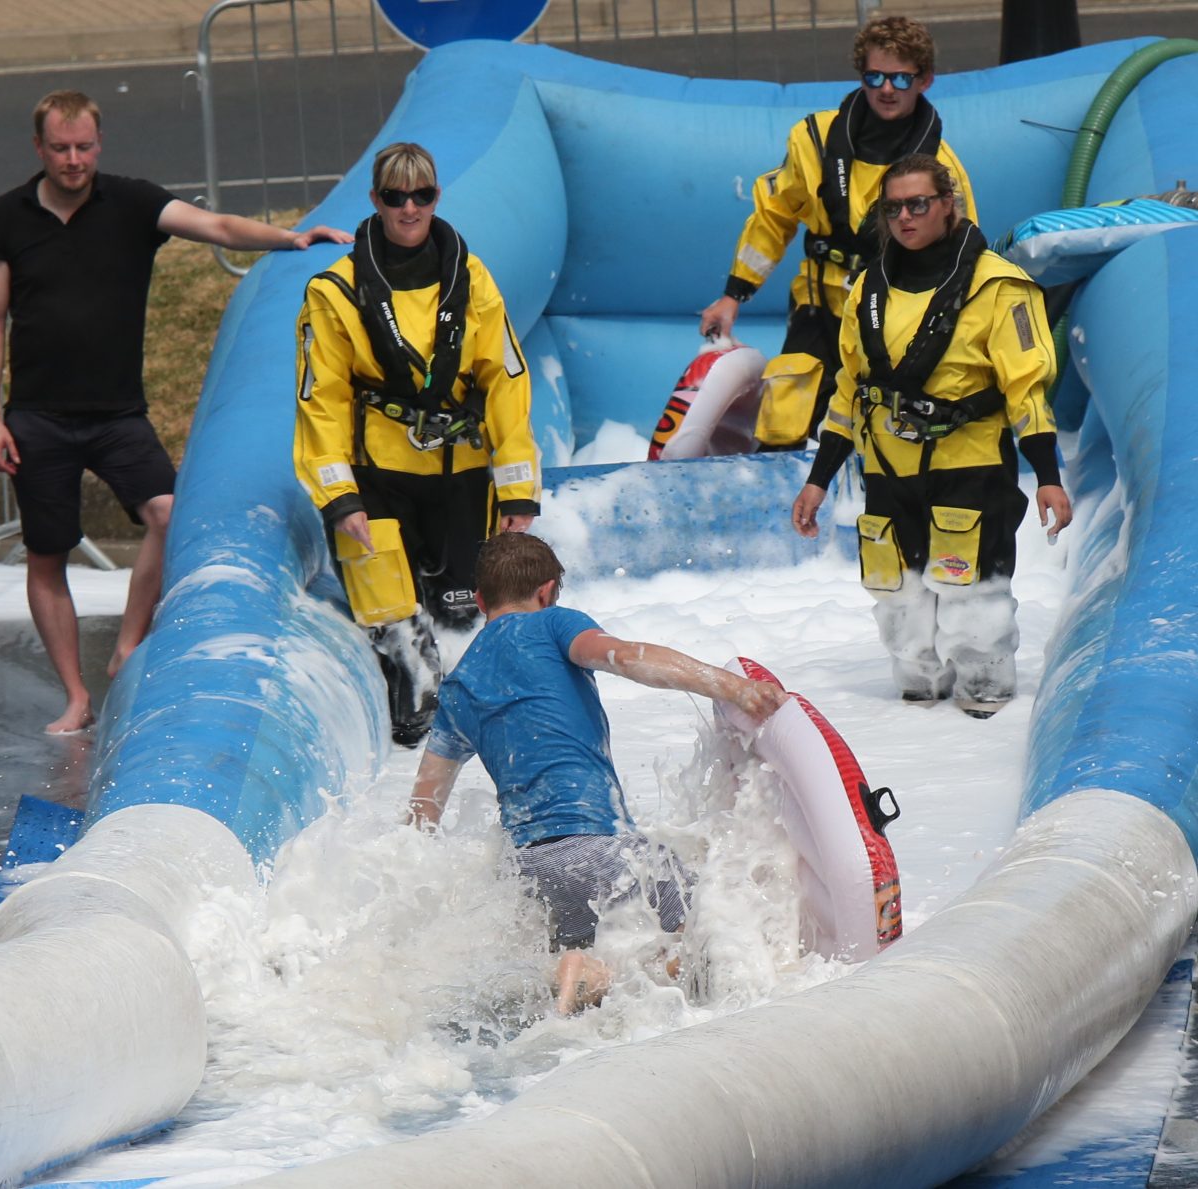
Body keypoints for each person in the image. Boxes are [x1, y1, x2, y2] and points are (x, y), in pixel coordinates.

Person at [0, 89, 352, 736]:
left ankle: (128, 643)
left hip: (117, 413)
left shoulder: (133, 202)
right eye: (60, 148)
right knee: (47, 555)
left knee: (168, 513)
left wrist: (290, 238)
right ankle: (75, 695)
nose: (73, 160)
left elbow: (219, 227)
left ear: (100, 143)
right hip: (35, 416)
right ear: (39, 148)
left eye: (84, 146)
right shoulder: (5, 219)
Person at [407, 532, 787, 1014]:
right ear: (546, 593)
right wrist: (730, 686)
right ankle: (606, 970)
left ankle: (576, 968)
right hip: (601, 851)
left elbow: (422, 815)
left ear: (481, 600)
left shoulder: (458, 689)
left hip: (528, 875)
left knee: (596, 980)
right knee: (717, 937)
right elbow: (626, 657)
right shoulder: (552, 625)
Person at [790, 154, 1072, 718]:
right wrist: (818, 480)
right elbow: (850, 390)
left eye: (919, 203)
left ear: (949, 205)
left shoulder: (1000, 287)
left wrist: (1047, 476)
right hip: (888, 469)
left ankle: (984, 695)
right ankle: (918, 692)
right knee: (898, 595)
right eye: (892, 207)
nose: (905, 217)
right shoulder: (866, 289)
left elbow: (1027, 392)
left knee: (972, 597)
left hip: (968, 466)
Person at [294, 142, 541, 747]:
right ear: (376, 200)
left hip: (460, 472)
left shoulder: (473, 278)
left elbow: (506, 380)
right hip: (375, 473)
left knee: (463, 612)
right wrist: (339, 497)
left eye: (422, 195)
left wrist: (518, 491)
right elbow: (318, 399)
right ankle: (410, 704)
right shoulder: (334, 291)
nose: (409, 208)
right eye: (396, 196)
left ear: (436, 198)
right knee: (398, 631)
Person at [699, 15, 977, 451]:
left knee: (884, 428)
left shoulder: (941, 169)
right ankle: (778, 505)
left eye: (902, 78)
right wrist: (735, 294)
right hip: (819, 300)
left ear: (925, 81)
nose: (887, 89)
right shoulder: (812, 140)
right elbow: (774, 218)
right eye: (876, 76)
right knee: (785, 410)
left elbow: (962, 259)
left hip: (893, 311)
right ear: (861, 76)